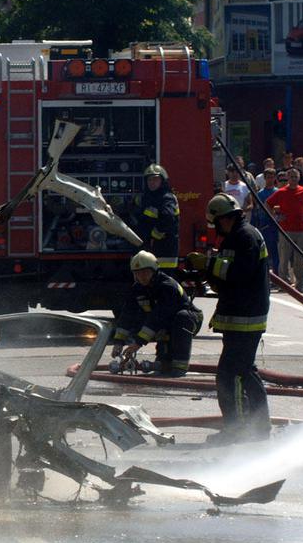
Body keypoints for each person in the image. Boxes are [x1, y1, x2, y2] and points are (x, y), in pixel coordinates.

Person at [190, 194, 271, 444]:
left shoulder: (245, 237)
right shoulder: (236, 237)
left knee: (230, 375)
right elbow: (226, 276)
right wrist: (205, 272)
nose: (216, 228)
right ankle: (259, 427)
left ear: (223, 218)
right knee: (245, 371)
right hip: (241, 313)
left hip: (244, 316)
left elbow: (239, 273)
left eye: (216, 223)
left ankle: (237, 429)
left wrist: (208, 263)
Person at [111, 250, 203, 378]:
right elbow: (127, 315)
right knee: (163, 359)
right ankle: (163, 363)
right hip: (164, 323)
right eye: (137, 273)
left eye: (145, 272)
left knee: (182, 318)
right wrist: (118, 342)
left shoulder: (167, 287)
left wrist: (138, 343)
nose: (141, 276)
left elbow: (159, 316)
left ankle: (180, 367)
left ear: (154, 271)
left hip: (189, 320)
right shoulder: (137, 289)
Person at [266, 168, 303, 292]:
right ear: (287, 178)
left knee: (300, 259)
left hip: (301, 229)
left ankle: (301, 284)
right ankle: (284, 284)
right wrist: (275, 217)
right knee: (284, 258)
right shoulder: (281, 192)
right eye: (291, 177)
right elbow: (268, 203)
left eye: (295, 177)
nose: (293, 179)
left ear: (299, 178)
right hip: (285, 230)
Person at [137, 164, 180, 271]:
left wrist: (154, 236)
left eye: (155, 179)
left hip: (164, 251)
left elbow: (168, 219)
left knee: (163, 278)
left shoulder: (167, 198)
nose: (152, 182)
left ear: (162, 181)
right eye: (149, 180)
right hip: (152, 249)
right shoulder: (148, 198)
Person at [252, 168, 280, 274]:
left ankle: (277, 273)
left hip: (277, 224)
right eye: (268, 177)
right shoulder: (260, 193)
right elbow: (258, 209)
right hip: (265, 225)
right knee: (266, 251)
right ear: (264, 178)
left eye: (272, 177)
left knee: (277, 251)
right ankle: (266, 274)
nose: (270, 179)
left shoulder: (278, 192)